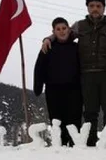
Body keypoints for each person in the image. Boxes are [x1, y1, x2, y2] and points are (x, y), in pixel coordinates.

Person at [42, 0, 106, 146]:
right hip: (86, 74)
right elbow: (63, 34)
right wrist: (48, 39)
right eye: (92, 6)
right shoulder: (79, 26)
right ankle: (90, 140)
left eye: (98, 6)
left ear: (104, 8)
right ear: (87, 7)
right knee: (90, 110)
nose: (95, 9)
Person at [33, 17, 82, 147]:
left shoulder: (77, 48)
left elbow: (83, 68)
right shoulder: (48, 47)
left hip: (74, 90)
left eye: (64, 28)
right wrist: (38, 86)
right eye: (58, 29)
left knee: (74, 118)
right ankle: (59, 144)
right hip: (53, 89)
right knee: (57, 119)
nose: (61, 31)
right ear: (53, 31)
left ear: (69, 29)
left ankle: (74, 143)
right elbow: (39, 67)